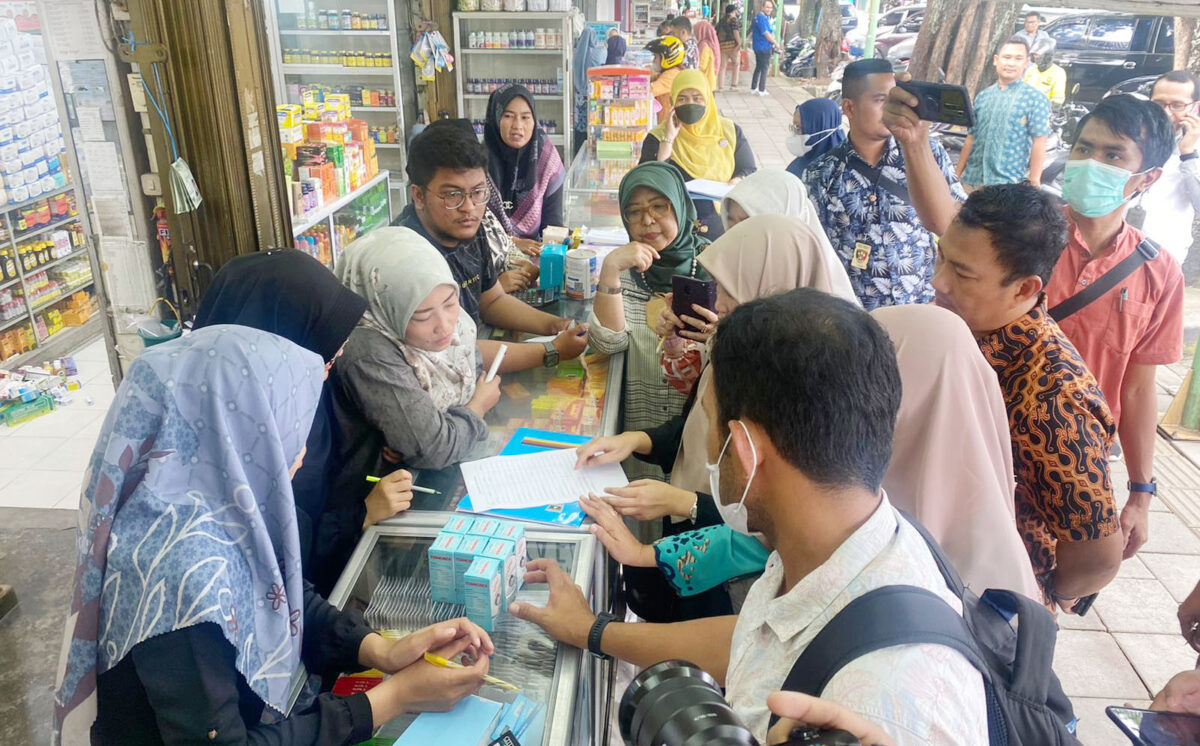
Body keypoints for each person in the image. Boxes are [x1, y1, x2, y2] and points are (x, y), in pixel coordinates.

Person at [511, 288, 989, 744]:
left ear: (743, 449)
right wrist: (593, 631)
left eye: (707, 422)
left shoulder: (879, 709)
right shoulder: (840, 539)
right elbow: (756, 639)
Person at [52, 325, 494, 745]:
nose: (302, 449)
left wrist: (381, 651)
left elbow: (281, 596)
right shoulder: (182, 579)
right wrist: (394, 698)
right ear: (240, 432)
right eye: (289, 422)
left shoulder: (209, 504)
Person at [583, 300, 1042, 605]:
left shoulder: (895, 581)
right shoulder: (862, 495)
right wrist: (644, 555)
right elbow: (759, 549)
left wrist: (602, 630)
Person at [930, 184, 1122, 611]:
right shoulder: (961, 332)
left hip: (989, 607)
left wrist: (1045, 595)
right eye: (940, 257)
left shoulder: (1052, 400)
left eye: (962, 274)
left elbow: (1097, 557)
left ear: (1023, 289)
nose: (937, 281)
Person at [191, 249, 416, 579]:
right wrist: (361, 515)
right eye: (327, 355)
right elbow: (272, 559)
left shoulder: (292, 384)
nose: (336, 357)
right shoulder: (233, 432)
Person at [1045, 94, 1184, 560]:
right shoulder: (1023, 233)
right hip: (989, 436)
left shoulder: (1159, 271)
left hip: (1080, 460)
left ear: (1148, 178)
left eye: (1112, 155)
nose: (1091, 163)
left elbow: (1139, 389)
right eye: (1084, 148)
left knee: (1062, 581)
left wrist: (1141, 494)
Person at [396, 122, 589, 370]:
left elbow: (491, 300)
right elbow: (452, 353)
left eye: (478, 192)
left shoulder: (469, 229)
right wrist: (552, 350)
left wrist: (554, 325)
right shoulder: (408, 257)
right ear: (418, 196)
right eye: (453, 195)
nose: (469, 208)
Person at [803, 59, 965, 310]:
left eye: (896, 99)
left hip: (920, 305)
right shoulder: (822, 173)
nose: (892, 109)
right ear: (849, 108)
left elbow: (954, 225)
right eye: (881, 100)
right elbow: (815, 252)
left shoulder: (926, 152)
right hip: (857, 316)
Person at [588, 161, 710, 480]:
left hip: (697, 440)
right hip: (638, 435)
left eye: (659, 206)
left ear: (680, 206)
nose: (647, 221)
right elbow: (608, 345)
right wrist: (610, 270)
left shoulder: (713, 272)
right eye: (635, 211)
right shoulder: (625, 271)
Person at [642, 69, 757, 239]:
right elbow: (649, 181)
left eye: (697, 98)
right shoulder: (657, 137)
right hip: (676, 232)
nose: (690, 104)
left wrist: (738, 180)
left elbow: (748, 168)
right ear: (673, 102)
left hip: (722, 229)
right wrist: (668, 139)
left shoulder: (729, 131)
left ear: (708, 99)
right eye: (682, 99)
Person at [957, 38, 1051, 188]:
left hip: (1007, 186)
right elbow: (971, 138)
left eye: (1018, 58)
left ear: (1026, 62)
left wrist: (1034, 182)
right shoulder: (983, 97)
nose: (1011, 63)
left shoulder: (1035, 99)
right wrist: (956, 175)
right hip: (971, 181)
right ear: (996, 60)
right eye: (1007, 57)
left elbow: (1039, 142)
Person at [483, 84, 565, 239]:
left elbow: (553, 225)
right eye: (508, 116)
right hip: (486, 252)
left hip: (535, 251)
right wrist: (510, 244)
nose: (517, 126)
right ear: (495, 117)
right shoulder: (478, 164)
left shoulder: (547, 163)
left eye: (525, 117)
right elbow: (472, 231)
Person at [1141, 70, 1200, 264]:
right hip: (1117, 246)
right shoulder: (1132, 136)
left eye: (1177, 105)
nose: (1166, 112)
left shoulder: (1194, 148)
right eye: (1158, 104)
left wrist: (1188, 154)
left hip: (1163, 254)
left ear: (1195, 107)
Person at [785, 97, 846, 179]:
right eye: (793, 126)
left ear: (820, 129)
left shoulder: (834, 176)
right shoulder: (807, 158)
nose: (793, 132)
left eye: (798, 127)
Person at [572, 25, 608, 159]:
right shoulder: (598, 53)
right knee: (592, 128)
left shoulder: (576, 54)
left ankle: (578, 156)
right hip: (593, 95)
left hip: (578, 98)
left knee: (579, 130)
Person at [647, 35, 687, 121]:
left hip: (668, 123)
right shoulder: (671, 72)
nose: (653, 60)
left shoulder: (672, 75)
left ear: (667, 59)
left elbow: (650, 90)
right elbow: (657, 77)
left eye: (656, 57)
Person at [750, 0, 780, 97]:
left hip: (758, 46)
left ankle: (753, 87)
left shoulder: (759, 17)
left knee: (758, 67)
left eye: (770, 7)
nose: (769, 9)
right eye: (767, 7)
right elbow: (766, 33)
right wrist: (775, 43)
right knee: (764, 68)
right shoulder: (762, 18)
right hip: (764, 47)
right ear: (762, 7)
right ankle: (761, 89)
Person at [715, 4, 742, 90]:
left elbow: (716, 31)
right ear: (733, 11)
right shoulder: (733, 19)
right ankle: (733, 85)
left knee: (722, 67)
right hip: (733, 46)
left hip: (722, 46)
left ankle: (720, 86)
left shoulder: (721, 20)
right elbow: (735, 32)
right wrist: (739, 43)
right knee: (736, 64)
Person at [692, 19, 721, 91]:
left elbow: (702, 66)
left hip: (705, 83)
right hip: (710, 81)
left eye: (696, 31)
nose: (695, 34)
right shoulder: (710, 44)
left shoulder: (704, 46)